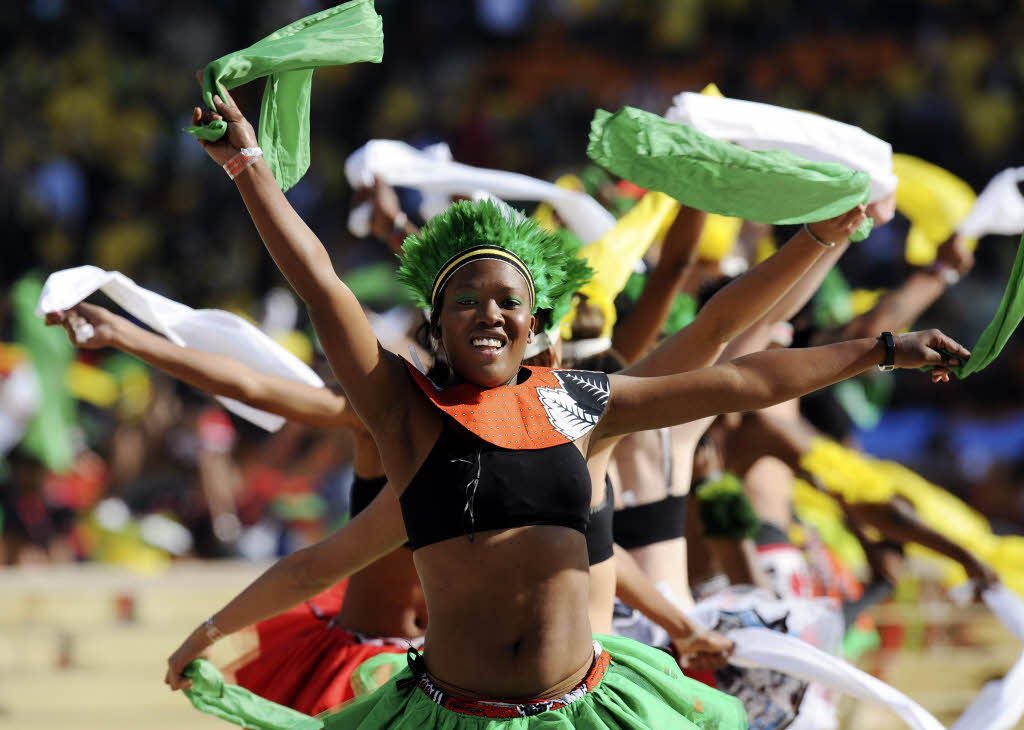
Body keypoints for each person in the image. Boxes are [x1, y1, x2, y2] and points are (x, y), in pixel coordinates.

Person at [165, 89, 967, 729]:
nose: (489, 313)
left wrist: (880, 346)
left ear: (533, 322)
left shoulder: (580, 401)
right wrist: (248, 168)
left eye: (508, 300)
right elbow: (320, 284)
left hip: (587, 711)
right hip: (452, 718)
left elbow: (743, 375)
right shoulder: (405, 413)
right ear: (435, 326)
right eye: (466, 301)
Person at [47, 302, 426, 714]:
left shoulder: (499, 432)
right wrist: (126, 335)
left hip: (458, 676)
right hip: (363, 673)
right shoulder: (387, 412)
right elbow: (252, 386)